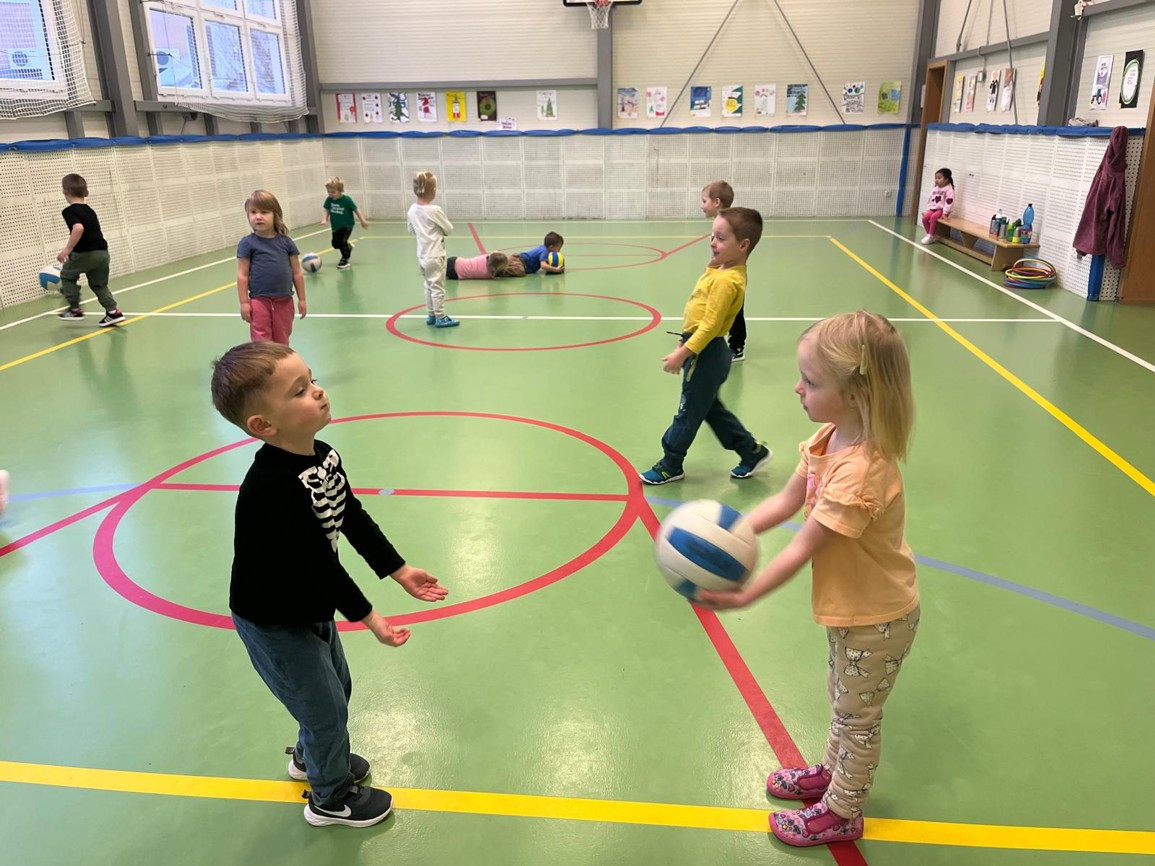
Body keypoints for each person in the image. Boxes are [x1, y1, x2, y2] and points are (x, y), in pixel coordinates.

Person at [697, 311, 918, 848]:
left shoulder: (861, 471)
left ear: (856, 394)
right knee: (843, 700)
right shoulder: (828, 438)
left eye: (811, 381)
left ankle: (843, 812)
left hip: (878, 618)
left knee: (858, 716)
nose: (798, 388)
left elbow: (803, 545)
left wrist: (747, 594)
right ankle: (832, 774)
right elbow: (784, 502)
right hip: (852, 608)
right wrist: (731, 530)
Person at [210, 341, 449, 828]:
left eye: (312, 380)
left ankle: (312, 756)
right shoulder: (271, 488)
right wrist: (371, 617)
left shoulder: (322, 456)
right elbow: (318, 563)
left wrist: (399, 569)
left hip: (310, 605)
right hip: (273, 619)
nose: (318, 391)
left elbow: (350, 514)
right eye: (299, 391)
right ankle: (329, 797)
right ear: (264, 425)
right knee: (323, 708)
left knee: (337, 688)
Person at [638, 207, 772, 485]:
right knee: (711, 409)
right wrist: (684, 338)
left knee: (688, 411)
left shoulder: (727, 281)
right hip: (705, 349)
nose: (713, 243)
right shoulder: (723, 271)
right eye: (712, 236)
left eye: (721, 239)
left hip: (706, 352)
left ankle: (671, 463)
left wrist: (683, 353)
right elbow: (699, 307)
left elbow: (710, 326)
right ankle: (751, 452)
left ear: (743, 245)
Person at [55, 173, 125, 327]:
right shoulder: (89, 210)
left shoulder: (69, 211)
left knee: (67, 276)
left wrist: (67, 249)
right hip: (103, 253)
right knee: (99, 285)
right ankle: (113, 312)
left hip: (85, 254)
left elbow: (78, 228)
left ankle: (75, 309)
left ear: (65, 191)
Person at [237, 190, 306, 345]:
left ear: (275, 214)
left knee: (282, 338)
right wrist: (244, 302)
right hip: (259, 300)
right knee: (261, 340)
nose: (258, 216)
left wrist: (302, 299)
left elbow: (297, 273)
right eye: (253, 212)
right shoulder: (247, 244)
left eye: (264, 212)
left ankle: (281, 361)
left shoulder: (286, 243)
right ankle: (264, 361)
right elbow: (242, 275)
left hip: (284, 300)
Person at [406, 171, 458, 328]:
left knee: (428, 286)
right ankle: (440, 317)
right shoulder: (434, 210)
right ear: (433, 190)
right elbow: (449, 229)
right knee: (437, 288)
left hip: (422, 255)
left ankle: (431, 315)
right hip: (436, 255)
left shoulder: (412, 210)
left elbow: (411, 229)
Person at [701, 181, 746, 362]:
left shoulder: (729, 225)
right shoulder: (720, 223)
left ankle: (737, 346)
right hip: (721, 273)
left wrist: (714, 268)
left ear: (717, 202)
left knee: (735, 311)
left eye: (704, 201)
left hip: (730, 276)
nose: (702, 206)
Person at [321, 176, 369, 270]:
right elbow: (326, 210)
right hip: (336, 226)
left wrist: (363, 220)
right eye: (329, 192)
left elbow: (356, 209)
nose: (330, 194)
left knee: (341, 242)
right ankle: (348, 246)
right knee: (335, 244)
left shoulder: (346, 199)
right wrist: (324, 219)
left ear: (340, 191)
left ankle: (345, 259)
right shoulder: (329, 200)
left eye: (333, 192)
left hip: (347, 225)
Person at [920, 168, 955, 244]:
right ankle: (930, 235)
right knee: (924, 218)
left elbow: (949, 202)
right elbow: (930, 200)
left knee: (933, 217)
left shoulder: (949, 190)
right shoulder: (934, 189)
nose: (936, 180)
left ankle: (930, 235)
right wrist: (928, 209)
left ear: (946, 179)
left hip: (942, 210)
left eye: (939, 178)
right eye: (936, 178)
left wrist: (945, 213)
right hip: (933, 209)